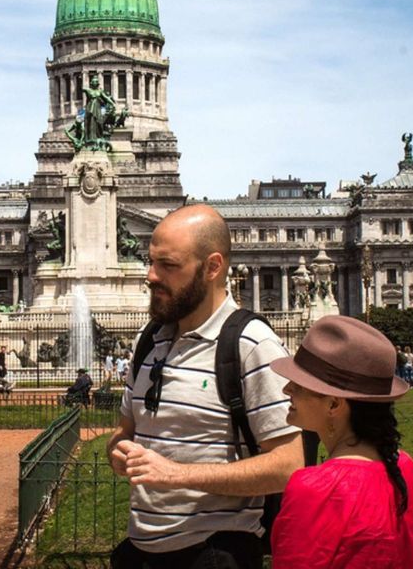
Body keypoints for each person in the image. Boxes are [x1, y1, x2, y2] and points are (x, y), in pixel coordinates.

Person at [106, 204, 302, 569]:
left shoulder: (251, 345)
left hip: (214, 554)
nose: (150, 276)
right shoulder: (147, 342)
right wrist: (119, 450)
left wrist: (178, 474)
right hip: (140, 550)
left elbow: (290, 465)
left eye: (168, 265)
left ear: (212, 267)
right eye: (151, 261)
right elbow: (127, 432)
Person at [268, 316, 413, 568]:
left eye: (300, 384)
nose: (287, 389)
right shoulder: (406, 468)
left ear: (333, 404)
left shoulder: (314, 489)